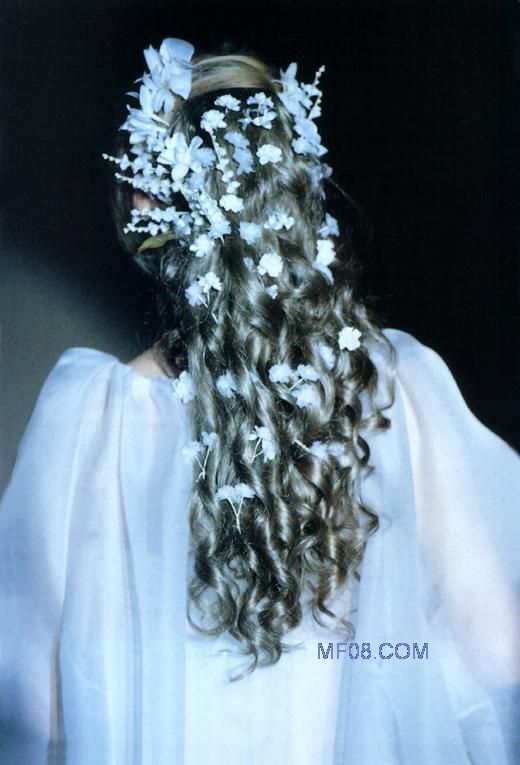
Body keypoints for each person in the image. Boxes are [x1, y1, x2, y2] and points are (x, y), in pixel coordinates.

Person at [0, 36, 519, 765]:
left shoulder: (91, 420)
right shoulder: (389, 385)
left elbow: (35, 707)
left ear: (146, 207)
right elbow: (498, 649)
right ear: (290, 194)